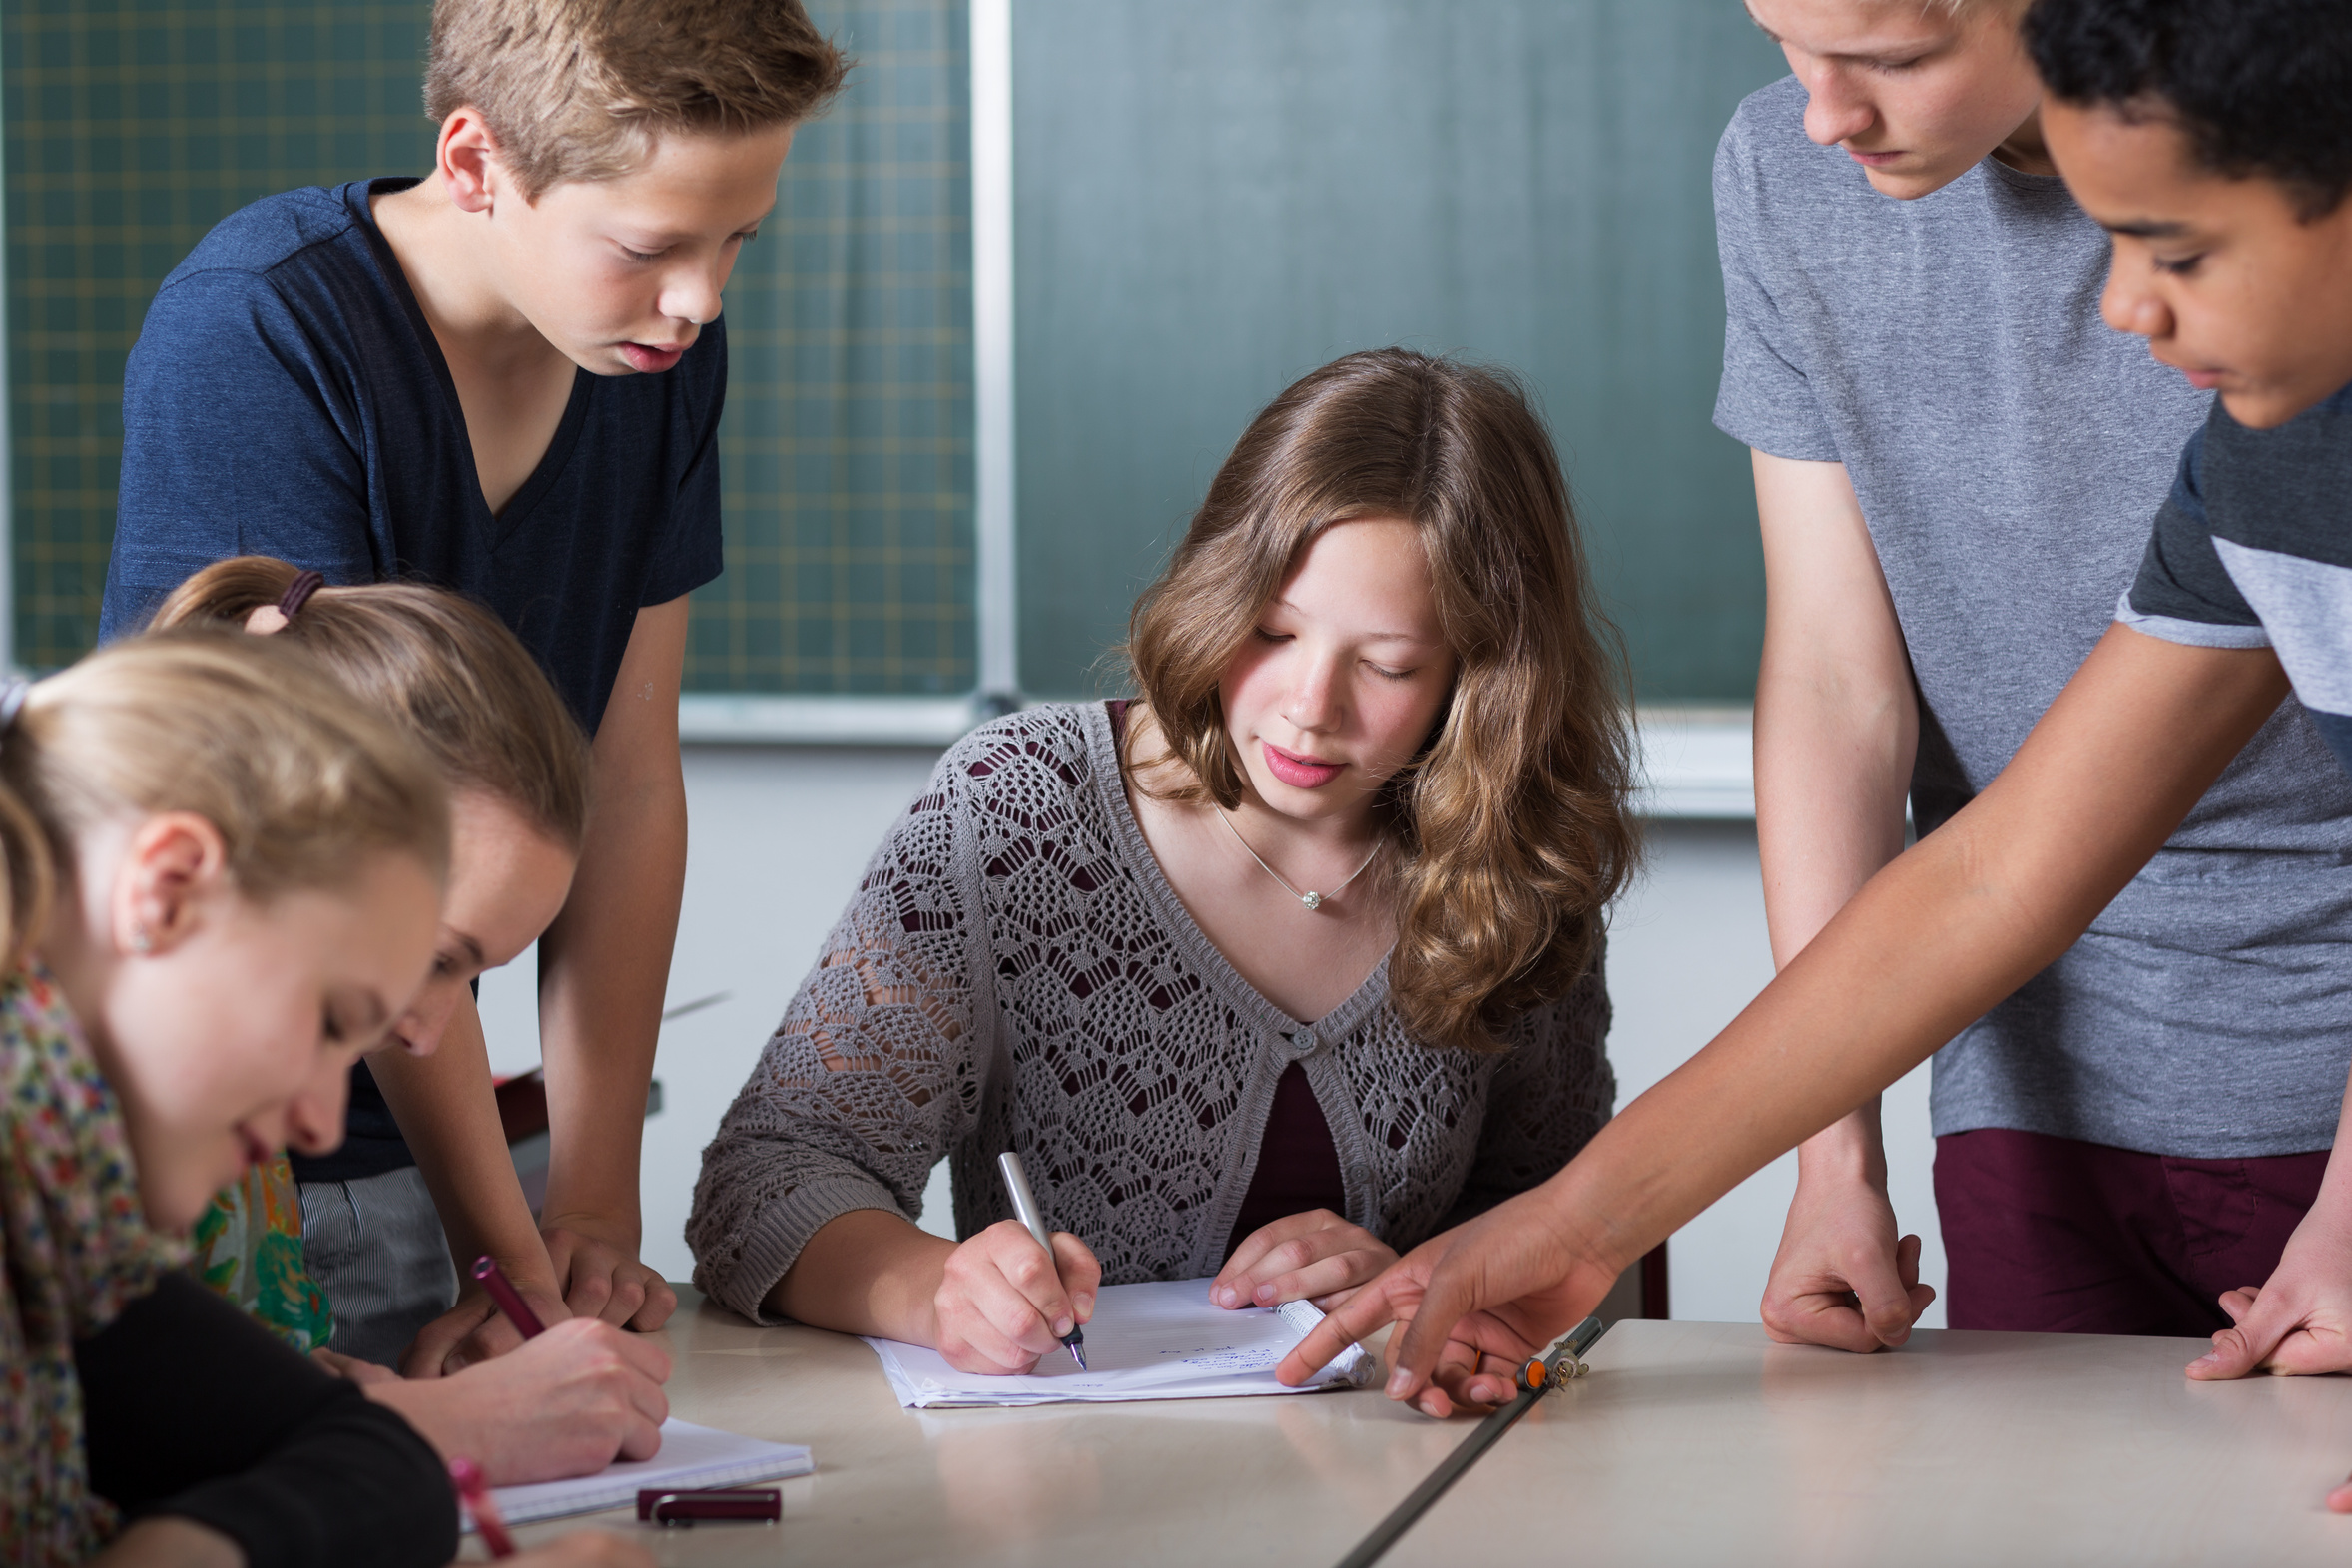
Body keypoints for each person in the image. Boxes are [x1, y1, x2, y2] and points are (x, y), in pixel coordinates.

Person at [1279, 0, 2352, 1439]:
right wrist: (1584, 1223)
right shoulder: (2267, 465)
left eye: (2181, 250)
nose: (2122, 307)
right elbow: (2001, 866)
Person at [97, 0, 849, 1358]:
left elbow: (624, 777)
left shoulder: (657, 355)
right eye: (649, 245)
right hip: (260, 1150)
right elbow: (347, 840)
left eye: (740, 237)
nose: (702, 297)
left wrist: (596, 1205)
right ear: (474, 161)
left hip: (455, 1141)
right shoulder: (263, 330)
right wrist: (511, 1254)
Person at [686, 349, 1639, 1372]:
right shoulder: (1022, 812)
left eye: (1388, 663)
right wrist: (933, 1291)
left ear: (1481, 676)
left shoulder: (1512, 860)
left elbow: (1579, 1232)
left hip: (1395, 1484)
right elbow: (765, 1180)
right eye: (1272, 631)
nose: (1309, 707)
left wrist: (1415, 1275)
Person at [1719, 0, 2352, 1354]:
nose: (1828, 112)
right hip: (2014, 1042)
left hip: (2319, 1047)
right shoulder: (1780, 173)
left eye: (1895, 59)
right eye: (1781, 35)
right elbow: (1842, 688)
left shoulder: (2288, 194)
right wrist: (1830, 1153)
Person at [0, 629, 645, 1568]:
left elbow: (360, 1448)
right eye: (327, 1017)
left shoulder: (62, 1185)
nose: (320, 1122)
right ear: (169, 890)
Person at [149, 557, 672, 1486]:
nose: (430, 1033)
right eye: (435, 958)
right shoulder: (81, 1089)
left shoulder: (243, 1077)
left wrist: (361, 1398)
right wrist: (442, 1425)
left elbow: (210, 1377)